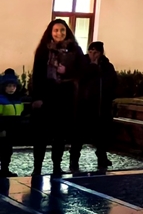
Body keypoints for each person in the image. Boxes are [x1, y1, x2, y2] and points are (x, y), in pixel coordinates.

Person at [28, 19, 85, 178]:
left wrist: (67, 71)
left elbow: (82, 72)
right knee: (41, 135)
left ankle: (56, 166)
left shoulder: (75, 50)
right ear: (50, 32)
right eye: (56, 30)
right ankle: (37, 167)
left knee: (60, 135)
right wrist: (37, 97)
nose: (59, 33)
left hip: (65, 97)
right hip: (46, 97)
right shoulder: (43, 50)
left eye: (62, 30)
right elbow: (37, 75)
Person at [77, 42, 118, 173]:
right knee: (80, 134)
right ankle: (74, 158)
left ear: (101, 53)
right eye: (90, 52)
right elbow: (80, 80)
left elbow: (113, 83)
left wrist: (109, 96)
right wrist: (91, 68)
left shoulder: (107, 67)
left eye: (95, 52)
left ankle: (102, 157)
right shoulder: (83, 65)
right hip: (85, 105)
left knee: (102, 134)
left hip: (102, 106)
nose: (92, 55)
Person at [0, 68, 27, 177]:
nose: (11, 89)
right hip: (3, 129)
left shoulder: (17, 99)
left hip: (12, 128)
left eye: (13, 86)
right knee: (2, 149)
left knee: (7, 151)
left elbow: (21, 112)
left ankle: (5, 169)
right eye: (9, 86)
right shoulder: (1, 99)